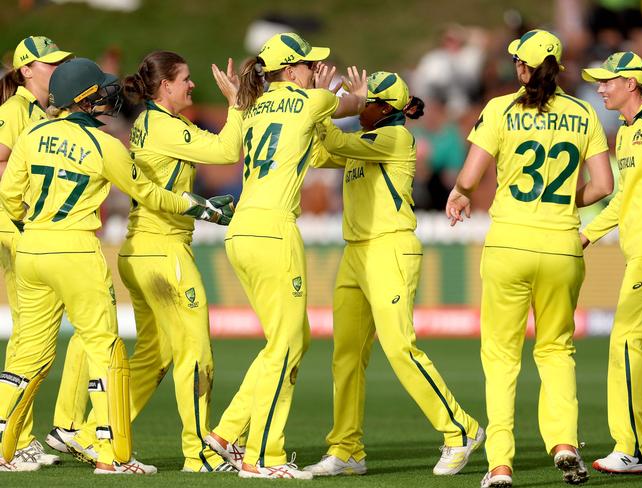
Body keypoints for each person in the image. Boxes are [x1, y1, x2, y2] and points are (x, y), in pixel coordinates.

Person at [0, 57, 229, 474]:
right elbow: (150, 194)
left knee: (26, 356)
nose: (109, 94)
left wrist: (33, 229)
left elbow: (10, 196)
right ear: (86, 98)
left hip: (30, 246)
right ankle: (113, 455)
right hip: (75, 249)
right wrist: (201, 208)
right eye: (100, 89)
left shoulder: (33, 134)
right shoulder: (105, 145)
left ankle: (2, 448)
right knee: (105, 350)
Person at [445, 29, 613, 487]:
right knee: (557, 350)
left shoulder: (500, 108)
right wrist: (561, 202)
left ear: (522, 67)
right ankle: (563, 442)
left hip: (509, 246)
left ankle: (500, 465)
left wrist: (460, 195)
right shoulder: (583, 113)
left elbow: (470, 175)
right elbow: (603, 186)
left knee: (501, 358)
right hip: (562, 246)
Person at [64, 50, 242, 473]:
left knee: (154, 355)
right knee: (197, 355)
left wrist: (199, 204)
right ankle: (198, 451)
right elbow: (226, 150)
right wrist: (236, 103)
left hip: (139, 250)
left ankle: (94, 434)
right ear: (165, 87)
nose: (192, 85)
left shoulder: (148, 122)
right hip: (165, 254)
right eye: (185, 79)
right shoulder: (163, 126)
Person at [302, 71, 484, 477]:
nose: (356, 107)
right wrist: (322, 107)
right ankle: (347, 449)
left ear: (384, 108)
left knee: (400, 347)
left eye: (363, 101)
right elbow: (317, 153)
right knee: (346, 356)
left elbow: (332, 140)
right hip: (356, 251)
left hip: (390, 248)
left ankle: (461, 430)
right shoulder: (363, 140)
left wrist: (320, 99)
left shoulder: (395, 137)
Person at [202, 32, 367, 479]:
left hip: (240, 233)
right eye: (310, 64)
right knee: (288, 343)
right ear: (291, 70)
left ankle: (226, 434)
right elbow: (355, 108)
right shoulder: (307, 100)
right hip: (274, 232)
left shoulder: (252, 106)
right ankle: (263, 457)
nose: (316, 69)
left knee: (290, 340)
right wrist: (351, 94)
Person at [0, 35, 79, 470]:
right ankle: (10, 438)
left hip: (25, 229)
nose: (58, 69)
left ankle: (20, 436)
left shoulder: (39, 111)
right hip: (15, 228)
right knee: (30, 339)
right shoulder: (14, 110)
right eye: (50, 64)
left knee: (30, 337)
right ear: (26, 70)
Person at [581, 51, 642, 475]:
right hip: (637, 251)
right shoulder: (625, 134)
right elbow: (623, 198)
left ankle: (634, 450)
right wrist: (587, 234)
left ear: (632, 84)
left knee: (626, 341)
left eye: (608, 81)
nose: (600, 87)